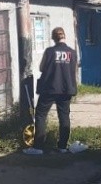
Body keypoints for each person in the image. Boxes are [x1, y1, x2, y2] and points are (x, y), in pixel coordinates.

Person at [26, 27, 78, 155]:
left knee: (41, 115)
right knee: (64, 116)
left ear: (54, 38)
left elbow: (42, 67)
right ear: (64, 36)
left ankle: (38, 147)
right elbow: (74, 69)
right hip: (67, 88)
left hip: (50, 88)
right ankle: (62, 146)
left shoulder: (50, 51)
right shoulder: (72, 52)